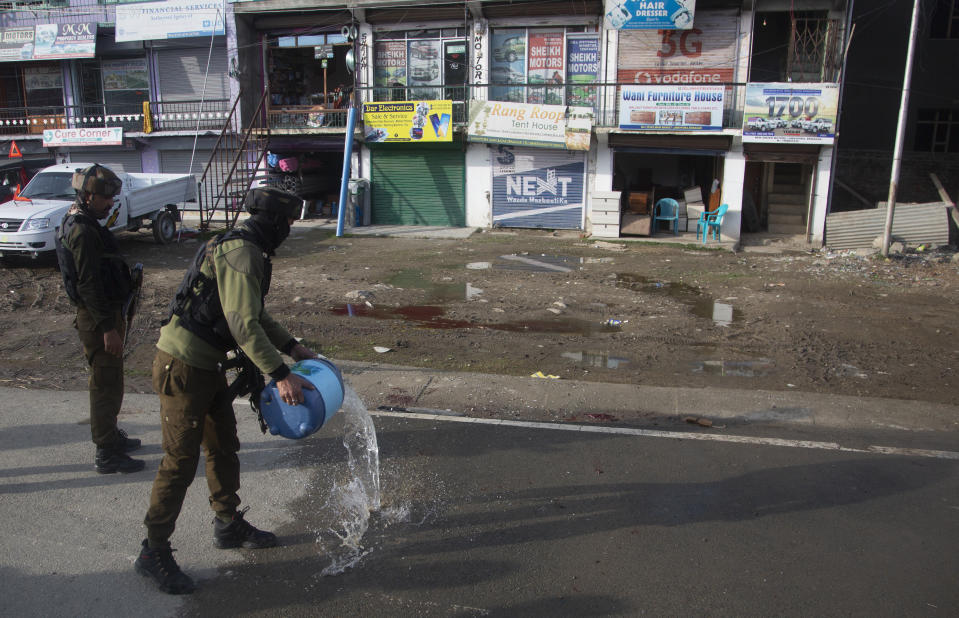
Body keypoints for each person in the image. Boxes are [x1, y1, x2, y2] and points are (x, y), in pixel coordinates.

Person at [135, 187, 318, 595]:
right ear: (272, 220)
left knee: (222, 445)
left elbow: (254, 312)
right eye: (287, 222)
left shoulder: (243, 247)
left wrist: (293, 346)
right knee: (179, 461)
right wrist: (280, 372)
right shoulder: (243, 253)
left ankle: (227, 522)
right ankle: (154, 550)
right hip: (182, 365)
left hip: (209, 363)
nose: (288, 230)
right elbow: (242, 324)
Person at [55, 164, 144, 474]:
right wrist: (107, 328)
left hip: (105, 313)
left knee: (112, 380)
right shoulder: (80, 229)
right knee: (104, 384)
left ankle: (111, 436)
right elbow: (87, 283)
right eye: (106, 199)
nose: (110, 204)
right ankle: (106, 452)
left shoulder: (85, 222)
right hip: (98, 318)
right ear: (88, 196)